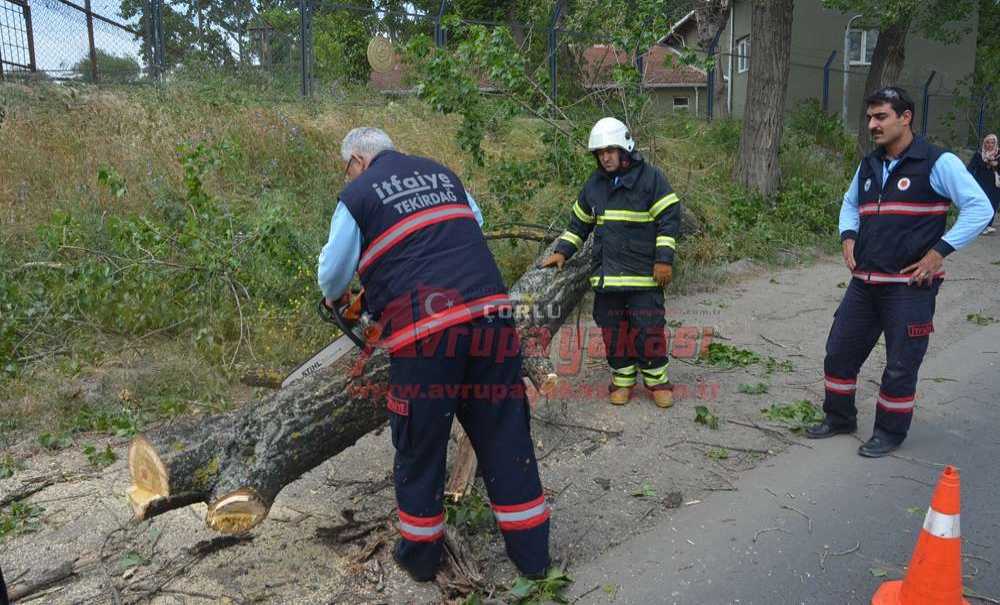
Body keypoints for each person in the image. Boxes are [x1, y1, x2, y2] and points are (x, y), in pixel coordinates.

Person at [317, 128, 550, 582]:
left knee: (420, 441)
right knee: (505, 432)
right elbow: (468, 227)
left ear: (358, 161)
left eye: (347, 166)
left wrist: (343, 295)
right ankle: (534, 556)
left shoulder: (358, 194)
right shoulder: (443, 175)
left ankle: (421, 557)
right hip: (490, 316)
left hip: (427, 334)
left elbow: (331, 276)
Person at [806, 87, 993, 457]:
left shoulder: (938, 162)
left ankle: (890, 431)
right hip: (864, 284)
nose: (872, 125)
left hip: (910, 287)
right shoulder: (869, 164)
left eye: (881, 117)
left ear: (905, 117)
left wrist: (939, 252)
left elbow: (980, 208)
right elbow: (849, 204)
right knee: (839, 352)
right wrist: (848, 236)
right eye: (870, 118)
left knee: (900, 364)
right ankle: (839, 417)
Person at [540, 117, 681, 408]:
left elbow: (669, 219)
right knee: (612, 331)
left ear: (625, 149)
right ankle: (622, 380)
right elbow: (578, 223)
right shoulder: (594, 185)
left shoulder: (650, 179)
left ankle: (657, 382)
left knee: (648, 328)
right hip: (607, 279)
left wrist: (664, 260)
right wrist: (563, 250)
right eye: (600, 152)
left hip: (645, 278)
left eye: (610, 151)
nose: (605, 157)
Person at [966, 133, 1000, 234]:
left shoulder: (998, 155)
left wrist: (996, 165)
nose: (990, 145)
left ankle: (988, 225)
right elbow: (970, 168)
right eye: (988, 142)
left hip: (995, 185)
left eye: (992, 142)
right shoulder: (979, 154)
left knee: (993, 204)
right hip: (981, 184)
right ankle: (980, 226)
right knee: (981, 204)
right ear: (984, 144)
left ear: (995, 143)